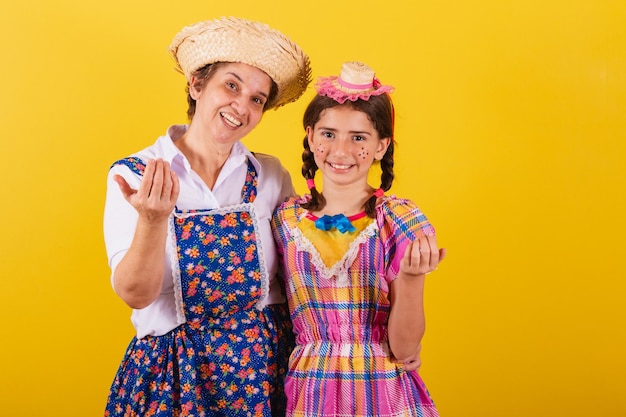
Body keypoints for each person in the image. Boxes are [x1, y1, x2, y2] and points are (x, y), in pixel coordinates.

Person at [103, 17, 311, 417]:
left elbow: (301, 278)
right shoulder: (135, 175)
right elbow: (135, 294)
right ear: (197, 84)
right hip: (175, 376)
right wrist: (151, 220)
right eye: (231, 85)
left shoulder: (269, 175)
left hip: (263, 373)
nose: (242, 106)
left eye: (257, 99)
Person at [271, 61, 445, 417]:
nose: (341, 151)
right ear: (310, 135)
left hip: (382, 388)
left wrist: (412, 278)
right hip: (310, 389)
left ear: (382, 146)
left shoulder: (400, 220)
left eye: (359, 138)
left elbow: (404, 346)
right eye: (329, 133)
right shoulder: (284, 219)